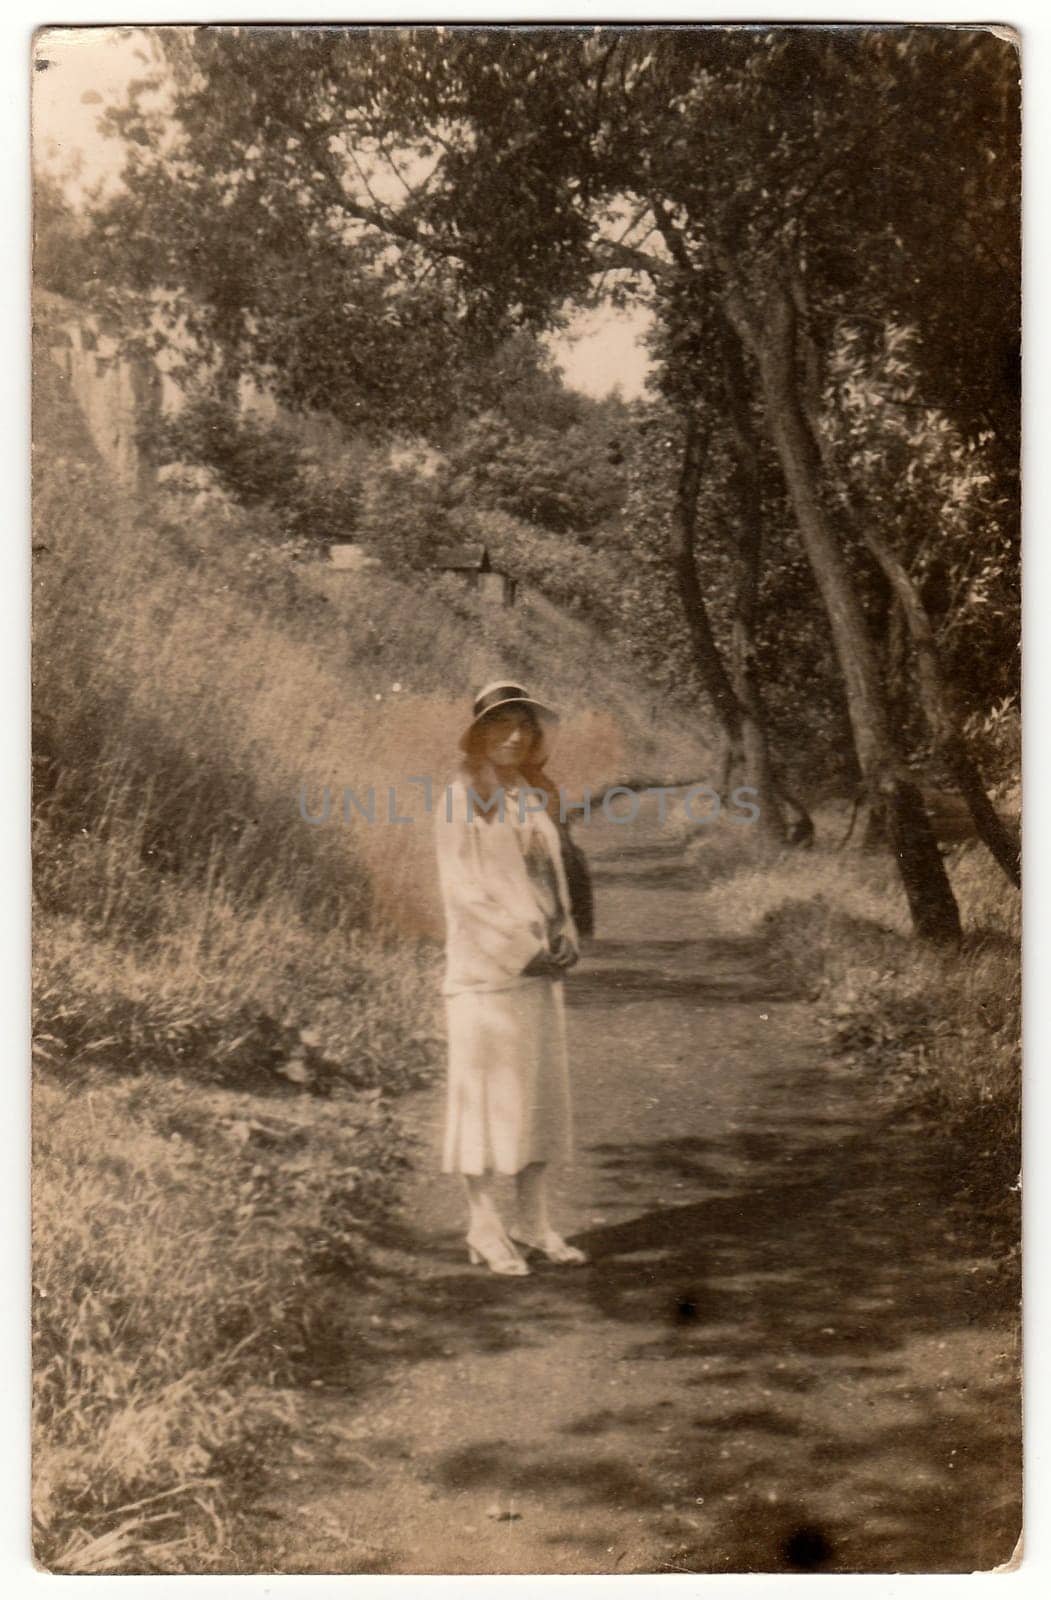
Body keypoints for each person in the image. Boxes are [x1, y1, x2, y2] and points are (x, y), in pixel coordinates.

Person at [434, 680, 588, 1276]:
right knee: (485, 1098)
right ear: (478, 735)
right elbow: (464, 893)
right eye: (501, 726)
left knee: (539, 1097)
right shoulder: (460, 796)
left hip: (537, 970)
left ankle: (533, 1221)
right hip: (487, 973)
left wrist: (566, 929)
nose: (515, 736)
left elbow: (551, 876)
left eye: (524, 725)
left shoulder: (529, 794)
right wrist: (523, 950)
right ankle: (483, 1225)